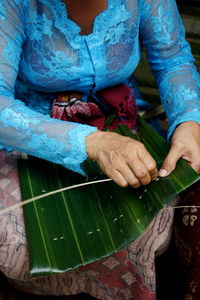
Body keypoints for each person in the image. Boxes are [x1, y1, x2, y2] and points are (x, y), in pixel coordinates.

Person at [0, 0, 199, 299]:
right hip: (31, 137)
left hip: (120, 125)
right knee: (18, 242)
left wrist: (188, 119)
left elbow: (173, 59)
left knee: (141, 230)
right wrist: (90, 142)